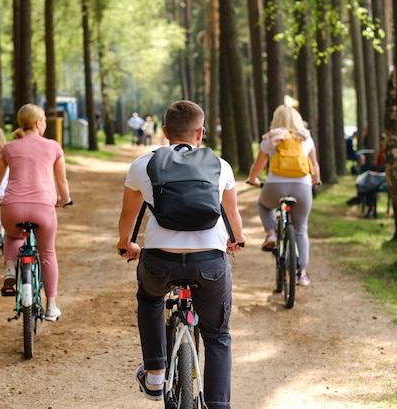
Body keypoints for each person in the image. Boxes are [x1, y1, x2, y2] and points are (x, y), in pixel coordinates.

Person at [117, 100, 245, 408]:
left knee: (150, 299)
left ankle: (155, 375)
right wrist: (237, 240)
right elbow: (232, 213)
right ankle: (219, 404)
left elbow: (128, 216)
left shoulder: (142, 165)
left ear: (164, 132)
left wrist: (126, 243)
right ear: (200, 132)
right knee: (216, 336)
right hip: (209, 263)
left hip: (160, 261)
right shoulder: (221, 165)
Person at [0, 103, 72, 322]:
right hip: (43, 208)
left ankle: (9, 269)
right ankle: (51, 305)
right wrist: (65, 200)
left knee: (13, 235)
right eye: (43, 120)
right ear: (37, 122)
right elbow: (61, 180)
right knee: (47, 253)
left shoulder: (9, 148)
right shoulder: (53, 147)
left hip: (12, 207)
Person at [246, 104, 321, 286]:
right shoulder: (305, 139)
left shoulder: (271, 139)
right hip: (302, 188)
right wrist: (315, 180)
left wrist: (253, 179)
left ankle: (271, 233)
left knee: (264, 205)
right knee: (301, 229)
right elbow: (315, 166)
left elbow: (258, 166)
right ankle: (301, 273)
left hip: (274, 187)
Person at [346, 134, 387, 218]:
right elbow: (377, 165)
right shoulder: (381, 151)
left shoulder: (390, 152)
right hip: (378, 175)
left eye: (384, 140)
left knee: (370, 182)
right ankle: (369, 206)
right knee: (368, 181)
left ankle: (361, 198)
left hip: (384, 177)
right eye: (382, 140)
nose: (382, 142)